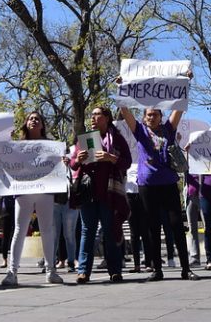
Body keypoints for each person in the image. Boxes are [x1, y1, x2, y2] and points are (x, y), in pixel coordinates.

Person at [118, 102, 199, 281]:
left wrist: (186, 81)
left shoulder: (169, 129)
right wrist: (121, 88)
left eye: (155, 114)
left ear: (161, 117)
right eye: (149, 115)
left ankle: (186, 269)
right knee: (152, 227)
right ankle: (157, 270)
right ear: (144, 118)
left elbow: (179, 107)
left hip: (168, 183)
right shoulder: (139, 131)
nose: (152, 117)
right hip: (147, 185)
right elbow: (124, 110)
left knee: (176, 224)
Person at [1, 112, 63, 286]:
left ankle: (51, 271)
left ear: (42, 124)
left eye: (38, 119)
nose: (34, 121)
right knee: (19, 229)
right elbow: (6, 164)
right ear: (25, 123)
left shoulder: (51, 146)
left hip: (45, 192)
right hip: (23, 192)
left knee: (47, 230)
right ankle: (12, 272)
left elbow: (58, 164)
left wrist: (62, 160)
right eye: (30, 118)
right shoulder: (16, 146)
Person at [70, 106, 131, 283]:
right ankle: (83, 271)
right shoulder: (85, 138)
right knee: (87, 232)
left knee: (110, 232)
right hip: (88, 192)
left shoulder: (117, 139)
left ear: (107, 118)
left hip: (109, 193)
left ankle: (115, 270)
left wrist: (110, 157)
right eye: (92, 115)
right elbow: (73, 164)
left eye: (97, 115)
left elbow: (127, 162)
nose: (93, 118)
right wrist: (78, 159)